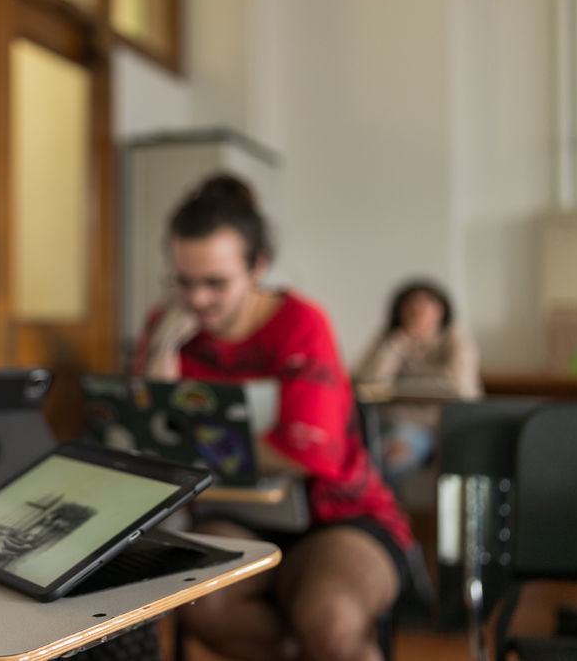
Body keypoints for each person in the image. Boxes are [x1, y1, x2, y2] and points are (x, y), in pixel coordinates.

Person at [135, 173, 413, 661]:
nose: (197, 300)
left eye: (216, 283)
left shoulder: (301, 324)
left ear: (258, 267)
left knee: (331, 617)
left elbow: (309, 453)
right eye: (184, 281)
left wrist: (191, 441)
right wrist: (161, 366)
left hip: (337, 515)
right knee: (204, 602)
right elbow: (147, 442)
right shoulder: (168, 327)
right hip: (233, 513)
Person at [356, 279, 481, 484]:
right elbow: (368, 385)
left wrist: (397, 386)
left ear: (441, 310)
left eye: (426, 304)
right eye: (411, 304)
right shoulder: (389, 340)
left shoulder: (455, 338)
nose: (418, 310)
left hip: (449, 423)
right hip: (398, 424)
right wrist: (398, 343)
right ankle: (385, 513)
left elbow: (459, 386)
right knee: (384, 459)